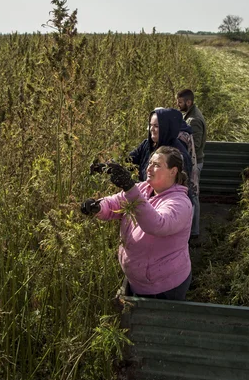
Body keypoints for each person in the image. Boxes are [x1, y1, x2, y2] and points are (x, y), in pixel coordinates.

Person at [81, 146, 193, 300]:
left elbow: (156, 224)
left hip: (164, 286)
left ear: (173, 171)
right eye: (150, 163)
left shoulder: (180, 203)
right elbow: (116, 202)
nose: (149, 168)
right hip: (140, 281)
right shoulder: (144, 189)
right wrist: (98, 207)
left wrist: (129, 187)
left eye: (157, 165)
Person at [129, 108, 193, 195]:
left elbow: (181, 187)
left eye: (156, 126)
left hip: (167, 200)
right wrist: (108, 167)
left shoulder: (178, 154)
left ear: (166, 128)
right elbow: (129, 160)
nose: (151, 129)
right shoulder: (147, 145)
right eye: (151, 125)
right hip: (146, 196)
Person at [177, 89, 207, 239]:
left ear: (189, 102)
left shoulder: (193, 120)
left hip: (195, 163)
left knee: (193, 196)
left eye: (180, 102)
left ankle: (194, 232)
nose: (178, 105)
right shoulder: (190, 115)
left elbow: (195, 144)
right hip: (194, 162)